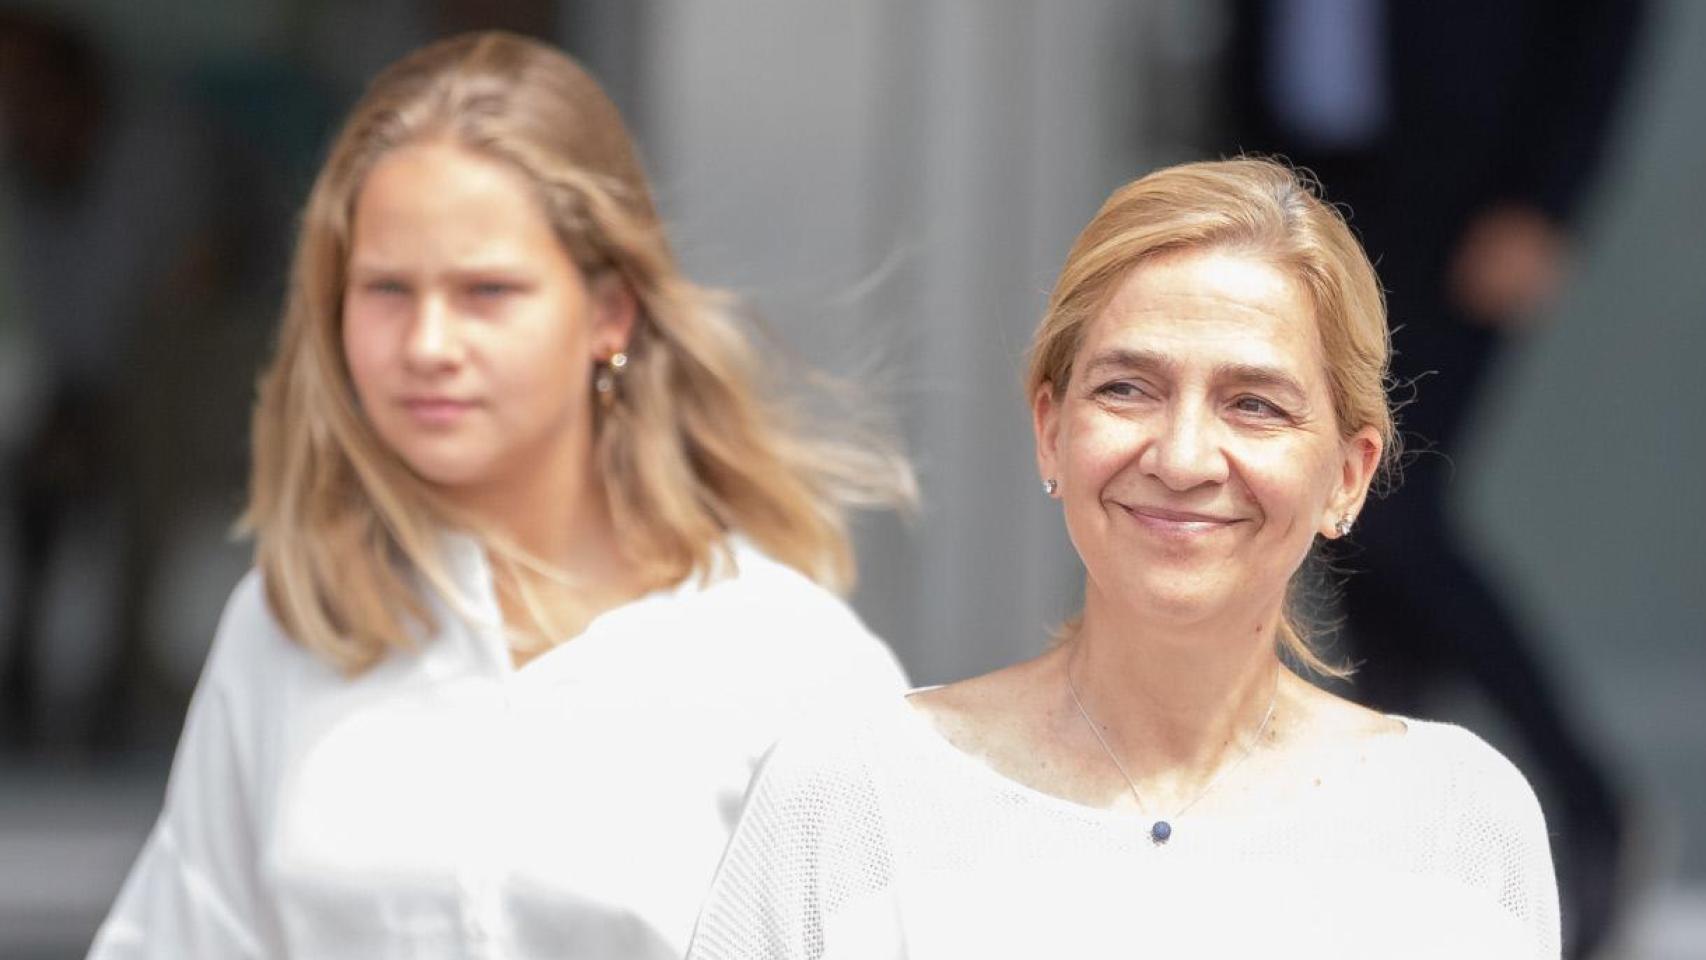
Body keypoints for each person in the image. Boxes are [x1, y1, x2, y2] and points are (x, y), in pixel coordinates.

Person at [89, 31, 912, 959]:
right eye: (387, 289)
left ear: (610, 312)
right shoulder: (294, 623)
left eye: (486, 291)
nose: (428, 342)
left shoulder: (788, 662)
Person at [686, 159, 1559, 959]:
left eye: (1253, 404)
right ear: (1050, 431)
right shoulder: (853, 799)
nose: (1181, 458)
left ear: (1349, 476)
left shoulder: (1458, 822)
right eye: (1127, 389)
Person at [1217, 7, 1646, 954]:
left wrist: (1547, 198)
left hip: (1460, 190)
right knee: (1344, 529)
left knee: (1383, 504)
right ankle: (1403, 842)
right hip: (1296, 181)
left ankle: (1588, 801)